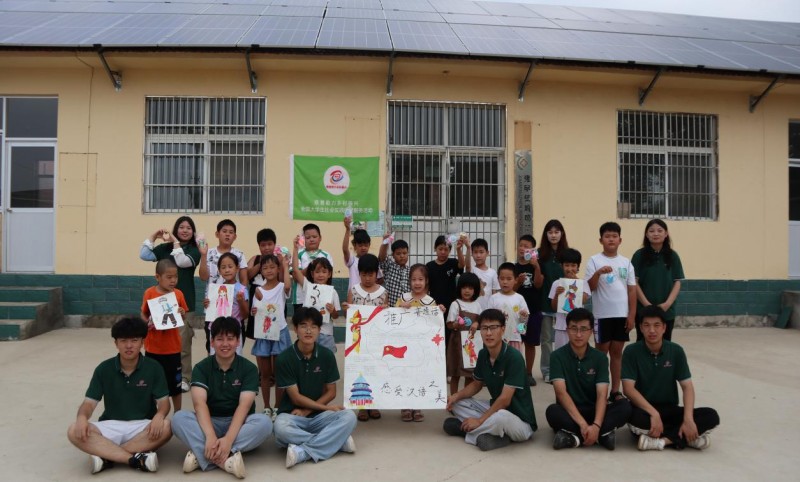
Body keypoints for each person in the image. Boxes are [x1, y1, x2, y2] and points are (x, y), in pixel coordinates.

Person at [67, 317, 172, 474]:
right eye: (123, 341)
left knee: (167, 426)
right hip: (111, 426)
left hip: (142, 426)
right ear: (116, 343)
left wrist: (160, 415)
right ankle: (134, 459)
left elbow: (164, 403)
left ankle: (107, 456)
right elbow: (88, 404)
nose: (129, 346)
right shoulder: (104, 369)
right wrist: (82, 418)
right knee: (74, 430)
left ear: (142, 342)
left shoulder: (153, 367)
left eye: (134, 340)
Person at [172, 317, 272, 478]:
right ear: (212, 342)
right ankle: (226, 460)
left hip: (239, 423)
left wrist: (229, 439)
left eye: (230, 339)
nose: (225, 344)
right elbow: (199, 404)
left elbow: (244, 406)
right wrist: (211, 436)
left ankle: (204, 454)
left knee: (265, 424)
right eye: (219, 339)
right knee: (178, 418)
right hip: (209, 422)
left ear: (238, 341)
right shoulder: (202, 368)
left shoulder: (249, 369)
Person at [623, 305, 720, 451]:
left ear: (664, 328)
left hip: (670, 409)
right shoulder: (631, 352)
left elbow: (687, 387)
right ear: (640, 328)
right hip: (644, 410)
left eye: (657, 325)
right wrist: (653, 413)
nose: (652, 330)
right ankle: (687, 438)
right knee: (630, 415)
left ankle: (663, 441)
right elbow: (628, 389)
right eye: (647, 326)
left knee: (711, 416)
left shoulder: (676, 351)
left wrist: (688, 418)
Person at [274, 307, 358, 468]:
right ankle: (336, 442)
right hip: (292, 415)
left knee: (349, 416)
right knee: (280, 428)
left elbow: (331, 392)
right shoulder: (284, 358)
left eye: (313, 327)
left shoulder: (326, 355)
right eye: (303, 325)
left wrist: (308, 411)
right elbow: (296, 398)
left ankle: (303, 452)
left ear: (319, 330)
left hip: (319, 416)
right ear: (295, 328)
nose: (308, 330)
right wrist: (311, 410)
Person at [443, 308, 536, 451]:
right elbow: (476, 384)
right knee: (457, 403)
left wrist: (480, 420)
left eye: (493, 328)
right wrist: (455, 397)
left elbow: (505, 400)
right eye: (484, 328)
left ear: (503, 329)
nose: (488, 333)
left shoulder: (514, 358)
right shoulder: (483, 354)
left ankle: (466, 430)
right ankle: (491, 433)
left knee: (501, 417)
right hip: (495, 409)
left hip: (519, 421)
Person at [545, 308, 632, 450]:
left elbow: (602, 394)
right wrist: (584, 425)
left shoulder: (600, 358)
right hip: (570, 411)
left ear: (591, 331)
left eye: (584, 329)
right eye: (574, 329)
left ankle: (574, 437)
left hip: (595, 410)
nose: (578, 334)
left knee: (625, 406)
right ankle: (602, 435)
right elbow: (561, 393)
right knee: (552, 411)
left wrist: (596, 425)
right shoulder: (557, 356)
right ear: (567, 330)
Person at [139, 216, 201, 392]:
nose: (185, 230)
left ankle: (185, 378)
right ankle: (159, 377)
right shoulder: (165, 248)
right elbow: (144, 255)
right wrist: (153, 236)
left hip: (183, 303)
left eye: (188, 228)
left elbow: (182, 261)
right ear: (176, 229)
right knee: (161, 343)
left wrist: (174, 241)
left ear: (193, 231)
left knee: (182, 343)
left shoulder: (194, 250)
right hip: (160, 304)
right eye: (181, 227)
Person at [585, 222, 636, 401]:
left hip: (621, 316)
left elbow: (631, 290)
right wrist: (598, 273)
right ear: (601, 240)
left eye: (614, 236)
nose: (611, 239)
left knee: (617, 353)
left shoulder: (626, 263)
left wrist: (631, 315)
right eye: (607, 236)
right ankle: (599, 392)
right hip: (602, 316)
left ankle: (615, 391)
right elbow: (589, 287)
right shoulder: (593, 260)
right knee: (601, 354)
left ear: (620, 240)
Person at [396, 263, 445, 422]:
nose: (417, 283)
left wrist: (439, 311)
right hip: (404, 347)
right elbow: (393, 318)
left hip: (421, 349)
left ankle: (417, 406)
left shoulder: (430, 302)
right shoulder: (403, 298)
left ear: (426, 281)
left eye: (421, 279)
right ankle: (405, 406)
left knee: (418, 375)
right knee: (405, 375)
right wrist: (400, 308)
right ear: (409, 281)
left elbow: (434, 324)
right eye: (414, 279)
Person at [141, 259, 189, 411]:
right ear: (157, 277)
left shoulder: (179, 294)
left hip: (172, 348)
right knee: (152, 382)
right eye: (169, 277)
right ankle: (152, 413)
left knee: (175, 384)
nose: (173, 280)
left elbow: (183, 316)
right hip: (153, 348)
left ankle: (178, 413)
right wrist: (147, 322)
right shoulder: (149, 293)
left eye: (175, 276)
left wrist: (182, 313)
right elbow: (143, 313)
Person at [345, 253, 388, 422]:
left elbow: (387, 316)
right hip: (358, 341)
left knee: (376, 370)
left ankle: (374, 403)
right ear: (359, 273)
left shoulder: (383, 292)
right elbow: (349, 315)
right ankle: (361, 405)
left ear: (376, 273)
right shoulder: (354, 291)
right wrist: (347, 309)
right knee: (360, 371)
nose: (367, 278)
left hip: (377, 340)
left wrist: (386, 309)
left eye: (370, 274)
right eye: (363, 274)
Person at [250, 254, 292, 420]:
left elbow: (288, 285)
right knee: (265, 374)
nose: (269, 270)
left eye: (272, 267)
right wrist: (254, 311)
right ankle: (267, 406)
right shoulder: (258, 290)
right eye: (265, 268)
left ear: (278, 269)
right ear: (261, 271)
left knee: (279, 372)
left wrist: (285, 265)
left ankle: (277, 406)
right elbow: (256, 310)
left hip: (279, 331)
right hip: (263, 333)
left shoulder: (282, 287)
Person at [199, 219, 248, 352]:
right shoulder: (209, 253)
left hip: (234, 310)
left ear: (235, 236)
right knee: (214, 343)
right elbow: (204, 277)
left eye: (231, 232)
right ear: (217, 234)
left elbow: (244, 280)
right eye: (224, 231)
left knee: (234, 344)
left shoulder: (239, 254)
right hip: (212, 308)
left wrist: (241, 297)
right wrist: (203, 256)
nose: (227, 235)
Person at [631, 219, 685, 341]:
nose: (655, 234)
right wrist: (647, 305)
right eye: (651, 231)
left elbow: (677, 282)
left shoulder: (672, 256)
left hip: (666, 311)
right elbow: (634, 282)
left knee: (665, 344)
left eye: (660, 231)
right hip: (643, 310)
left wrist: (667, 304)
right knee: (643, 344)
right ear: (646, 234)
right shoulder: (639, 255)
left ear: (666, 234)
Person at [292, 236, 341, 353]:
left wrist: (332, 310)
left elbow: (336, 316)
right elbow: (295, 271)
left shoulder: (332, 292)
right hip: (308, 333)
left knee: (326, 360)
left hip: (326, 334)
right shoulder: (308, 287)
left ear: (329, 274)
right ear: (312, 274)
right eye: (317, 272)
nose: (321, 275)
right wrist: (295, 249)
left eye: (324, 272)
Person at [537, 219, 569, 384]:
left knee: (565, 338)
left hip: (566, 304)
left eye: (557, 232)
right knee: (547, 339)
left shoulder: (568, 253)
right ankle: (548, 371)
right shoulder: (539, 254)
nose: (553, 235)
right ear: (546, 235)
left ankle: (563, 369)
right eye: (550, 232)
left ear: (562, 233)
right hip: (545, 302)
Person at [427, 234, 470, 353]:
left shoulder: (452, 262)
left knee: (450, 333)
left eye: (446, 249)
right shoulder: (429, 266)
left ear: (450, 251)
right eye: (440, 249)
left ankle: (450, 361)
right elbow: (426, 287)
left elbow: (462, 265)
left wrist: (459, 249)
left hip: (451, 305)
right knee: (436, 334)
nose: (443, 252)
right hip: (435, 306)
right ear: (435, 249)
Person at [204, 253, 249, 355]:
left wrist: (241, 301)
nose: (227, 270)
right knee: (215, 357)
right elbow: (212, 310)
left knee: (234, 358)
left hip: (234, 329)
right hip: (216, 328)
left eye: (230, 266)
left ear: (237, 268)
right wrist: (207, 304)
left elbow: (245, 314)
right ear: (219, 270)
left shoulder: (242, 289)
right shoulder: (216, 289)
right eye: (223, 267)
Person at [514, 234, 544, 386]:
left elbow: (538, 285)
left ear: (532, 250)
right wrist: (518, 282)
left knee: (530, 343)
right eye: (521, 245)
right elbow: (510, 289)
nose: (522, 248)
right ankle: (516, 371)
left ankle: (528, 372)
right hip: (518, 314)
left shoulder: (537, 265)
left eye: (526, 246)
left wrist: (536, 266)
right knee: (516, 341)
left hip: (533, 311)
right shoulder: (513, 267)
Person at [445, 272, 482, 395]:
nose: (467, 291)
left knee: (469, 374)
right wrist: (456, 324)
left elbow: (481, 322)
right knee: (456, 374)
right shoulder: (455, 304)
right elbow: (449, 324)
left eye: (470, 288)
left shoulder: (477, 305)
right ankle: (453, 399)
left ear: (475, 290)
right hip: (457, 343)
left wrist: (477, 323)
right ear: (459, 288)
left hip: (472, 345)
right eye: (464, 287)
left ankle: (465, 399)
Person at [548, 248, 591, 351]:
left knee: (578, 351)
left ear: (578, 267)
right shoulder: (556, 283)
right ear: (561, 266)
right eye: (567, 265)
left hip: (578, 327)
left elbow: (584, 300)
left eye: (573, 265)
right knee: (561, 353)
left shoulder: (582, 283)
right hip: (561, 326)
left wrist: (576, 282)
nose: (570, 268)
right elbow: (553, 307)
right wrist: (557, 295)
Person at [291, 223, 334, 312]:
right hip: (301, 299)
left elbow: (328, 277)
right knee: (302, 324)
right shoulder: (297, 254)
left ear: (320, 238)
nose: (311, 239)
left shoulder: (326, 255)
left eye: (314, 237)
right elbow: (295, 276)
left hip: (321, 299)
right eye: (308, 237)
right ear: (303, 239)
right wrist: (311, 267)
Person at [488, 262, 530, 354]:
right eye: (502, 278)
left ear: (516, 280)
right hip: (497, 339)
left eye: (509, 279)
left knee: (514, 363)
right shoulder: (493, 298)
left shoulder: (519, 298)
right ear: (498, 279)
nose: (505, 282)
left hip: (515, 338)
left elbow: (524, 322)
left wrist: (524, 317)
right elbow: (489, 319)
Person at [342, 216, 382, 293]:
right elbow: (344, 249)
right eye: (360, 245)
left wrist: (371, 288)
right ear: (354, 245)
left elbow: (380, 279)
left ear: (369, 245)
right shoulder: (352, 260)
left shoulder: (373, 261)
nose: (363, 248)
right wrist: (347, 230)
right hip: (354, 296)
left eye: (366, 245)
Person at [467, 238, 500, 311]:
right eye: (475, 252)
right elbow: (467, 266)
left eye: (481, 252)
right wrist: (468, 248)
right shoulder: (472, 270)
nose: (478, 255)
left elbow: (494, 294)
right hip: (473, 310)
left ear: (487, 253)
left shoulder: (493, 273)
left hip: (488, 311)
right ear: (472, 254)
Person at [378, 234, 410, 307]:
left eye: (404, 253)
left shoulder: (411, 270)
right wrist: (385, 242)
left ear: (408, 253)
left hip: (407, 309)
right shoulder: (389, 266)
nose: (402, 256)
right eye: (398, 254)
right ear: (393, 255)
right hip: (392, 308)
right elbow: (382, 257)